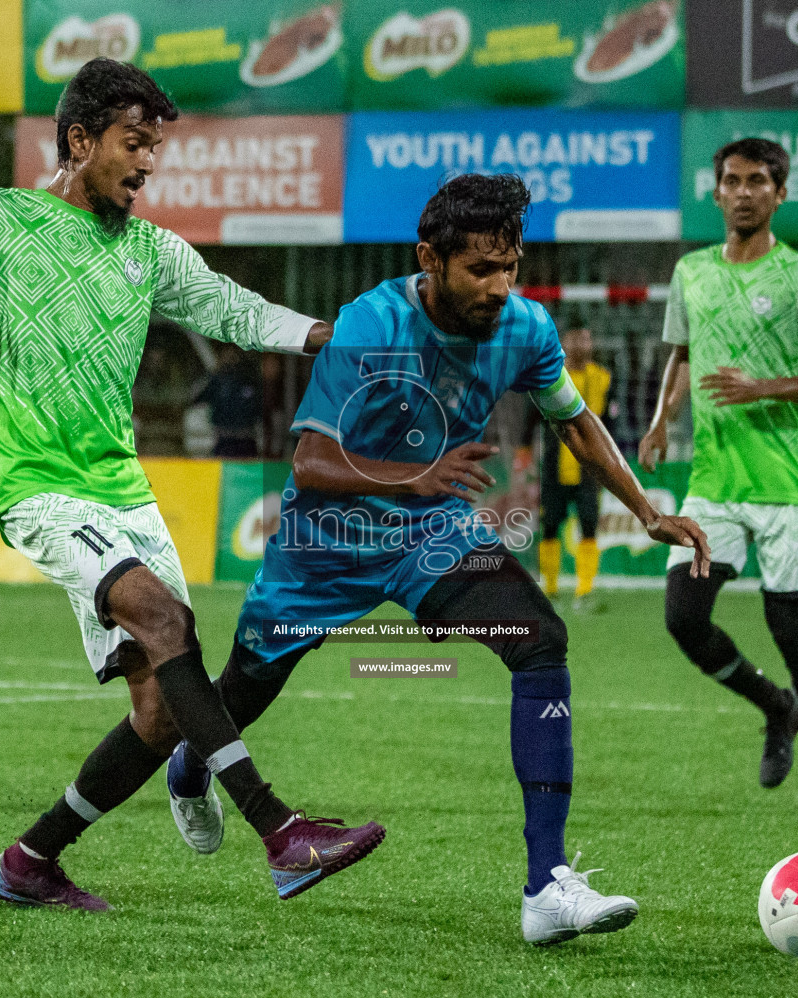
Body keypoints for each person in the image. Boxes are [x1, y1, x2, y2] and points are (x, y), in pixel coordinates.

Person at [0, 57, 380, 912]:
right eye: (134, 144)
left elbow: (234, 309)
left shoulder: (151, 249)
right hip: (40, 487)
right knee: (163, 618)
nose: (148, 163)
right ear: (81, 141)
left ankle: (30, 860)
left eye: (154, 147)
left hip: (126, 490)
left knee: (160, 711)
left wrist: (333, 336)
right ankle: (281, 832)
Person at [162, 174, 711, 942]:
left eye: (510, 266)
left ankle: (545, 885)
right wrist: (409, 476)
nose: (498, 287)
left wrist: (648, 509)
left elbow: (575, 422)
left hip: (432, 536)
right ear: (431, 258)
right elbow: (313, 461)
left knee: (540, 639)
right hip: (326, 545)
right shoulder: (370, 323)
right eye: (480, 271)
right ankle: (190, 764)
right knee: (243, 692)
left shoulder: (525, 329)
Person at [637, 138, 798, 817]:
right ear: (716, 193)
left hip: (786, 484)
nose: (743, 192)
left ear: (779, 193)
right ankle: (775, 706)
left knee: (790, 630)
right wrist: (660, 419)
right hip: (712, 481)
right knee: (684, 617)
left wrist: (764, 387)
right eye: (731, 180)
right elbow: (681, 352)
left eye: (758, 181)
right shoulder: (692, 273)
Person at [537, 327, 612, 611]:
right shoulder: (550, 376)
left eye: (586, 338)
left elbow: (610, 427)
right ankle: (550, 589)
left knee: (590, 525)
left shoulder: (603, 378)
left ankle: (584, 591)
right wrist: (522, 452)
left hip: (590, 470)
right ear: (564, 342)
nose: (581, 344)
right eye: (574, 338)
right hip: (554, 468)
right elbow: (533, 417)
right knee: (549, 526)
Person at [193, 345, 260, 457]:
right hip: (224, 439)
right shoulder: (216, 381)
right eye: (227, 355)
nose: (231, 359)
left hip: (246, 438)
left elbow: (259, 408)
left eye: (234, 355)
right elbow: (197, 398)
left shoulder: (250, 380)